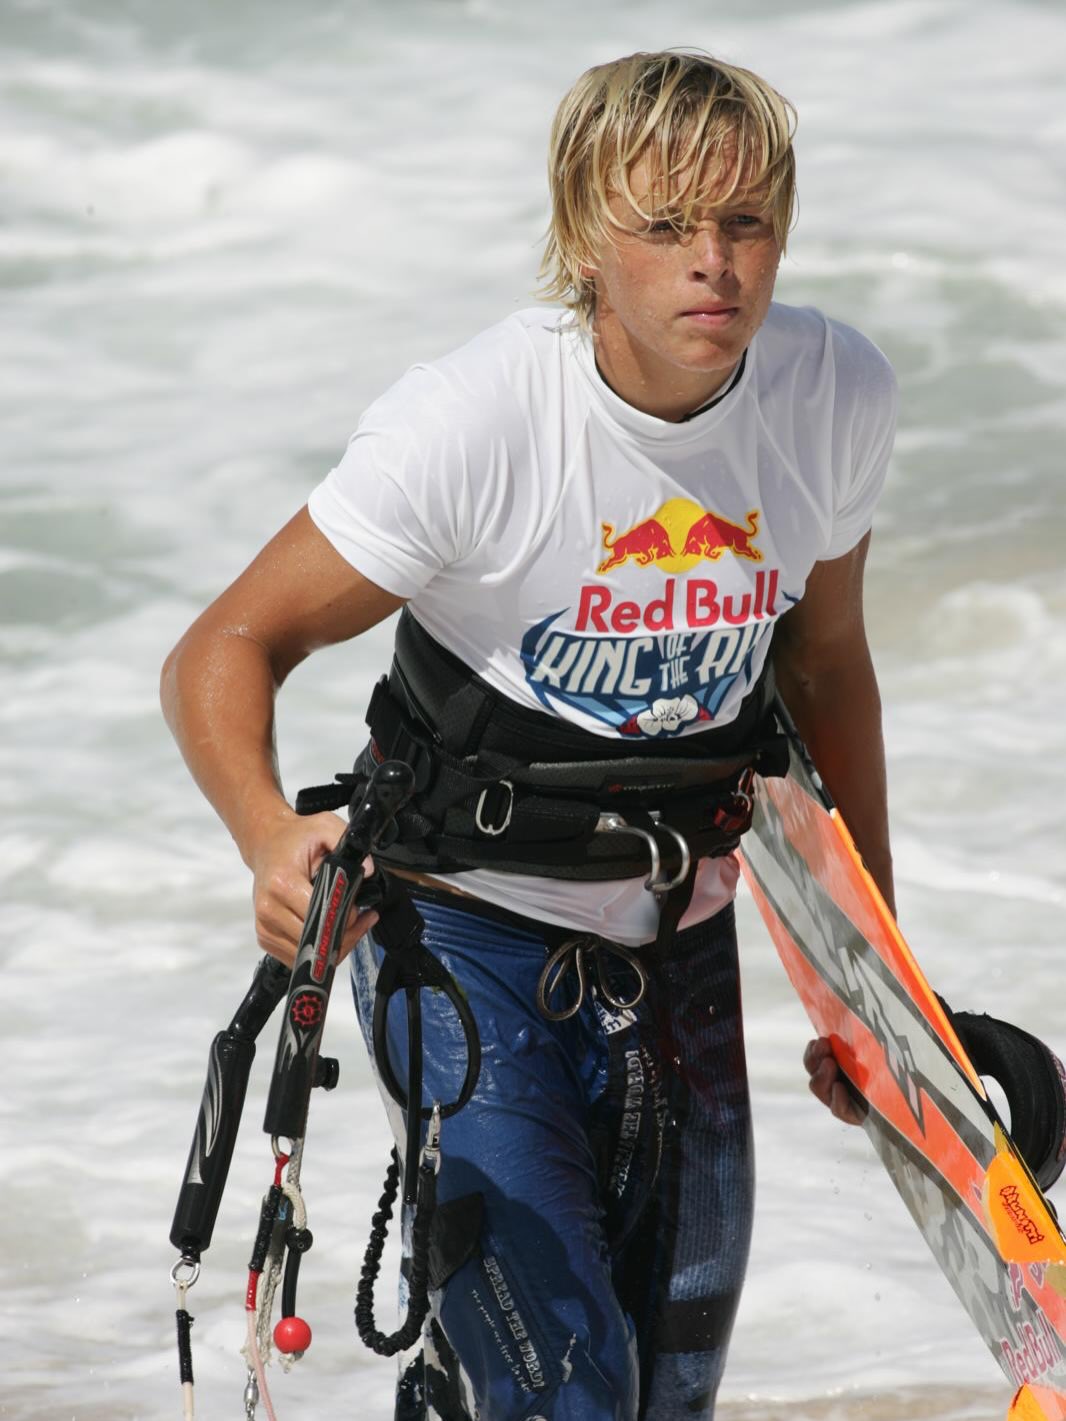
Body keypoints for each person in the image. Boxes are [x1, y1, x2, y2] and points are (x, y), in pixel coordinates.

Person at [161, 50, 896, 1421]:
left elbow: (826, 663)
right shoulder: (474, 422)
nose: (713, 264)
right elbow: (222, 645)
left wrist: (871, 994)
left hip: (678, 945)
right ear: (581, 239)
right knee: (569, 1397)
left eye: (744, 223)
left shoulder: (830, 396)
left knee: (661, 1395)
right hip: (464, 943)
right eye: (664, 224)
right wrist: (269, 837)